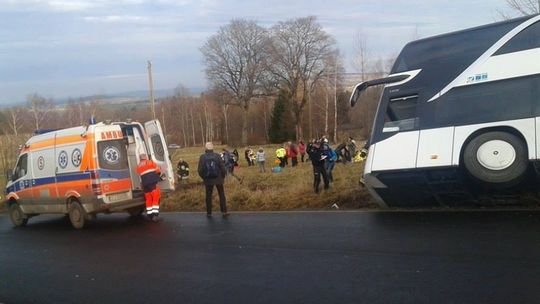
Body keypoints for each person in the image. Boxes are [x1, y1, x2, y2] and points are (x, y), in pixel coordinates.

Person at [198, 142, 228, 218]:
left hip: (208, 180)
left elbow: (200, 170)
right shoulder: (217, 156)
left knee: (208, 196)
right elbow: (223, 168)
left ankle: (209, 212)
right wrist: (222, 177)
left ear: (205, 148)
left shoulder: (202, 157)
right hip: (218, 179)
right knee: (221, 194)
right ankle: (224, 211)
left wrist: (204, 178)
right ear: (212, 148)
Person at [136, 154, 163, 222]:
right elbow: (158, 170)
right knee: (156, 197)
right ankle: (155, 215)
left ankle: (150, 215)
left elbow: (139, 173)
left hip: (145, 184)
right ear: (145, 157)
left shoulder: (138, 166)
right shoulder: (149, 162)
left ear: (140, 159)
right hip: (152, 182)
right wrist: (158, 176)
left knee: (148, 199)